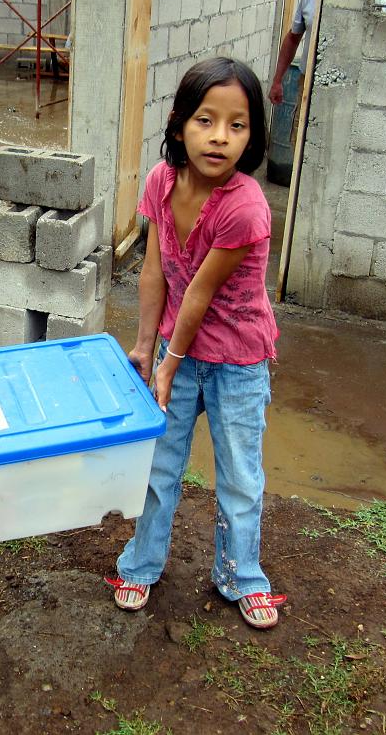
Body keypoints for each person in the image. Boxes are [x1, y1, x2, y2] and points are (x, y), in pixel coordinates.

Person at [105, 57, 286, 630]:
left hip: (238, 362)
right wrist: (145, 348)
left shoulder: (244, 206)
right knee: (159, 465)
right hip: (175, 353)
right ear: (180, 123)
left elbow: (200, 293)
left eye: (237, 125)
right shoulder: (161, 182)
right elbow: (155, 272)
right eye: (206, 120)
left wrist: (169, 364)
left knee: (239, 477)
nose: (220, 137)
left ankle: (242, 576)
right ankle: (141, 564)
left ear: (252, 136)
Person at [269, 0, 386, 105]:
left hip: (352, 90)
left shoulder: (376, 1)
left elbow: (383, 51)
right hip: (308, 84)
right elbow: (293, 38)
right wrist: (277, 80)